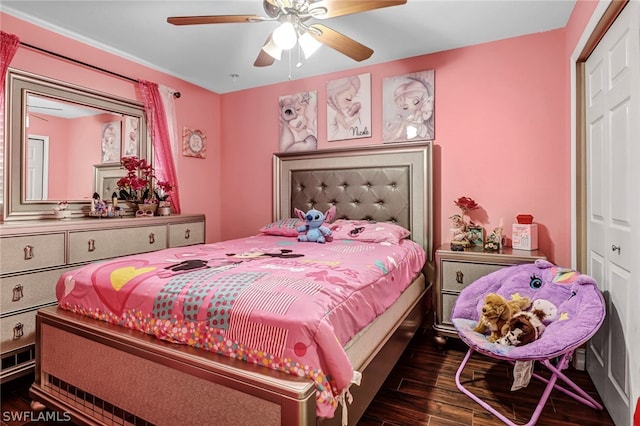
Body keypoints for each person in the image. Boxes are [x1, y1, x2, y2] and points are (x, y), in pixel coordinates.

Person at [327, 76, 363, 140]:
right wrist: (355, 118)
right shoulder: (334, 112)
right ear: (336, 93)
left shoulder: (330, 110)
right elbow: (346, 126)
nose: (349, 106)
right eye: (348, 99)